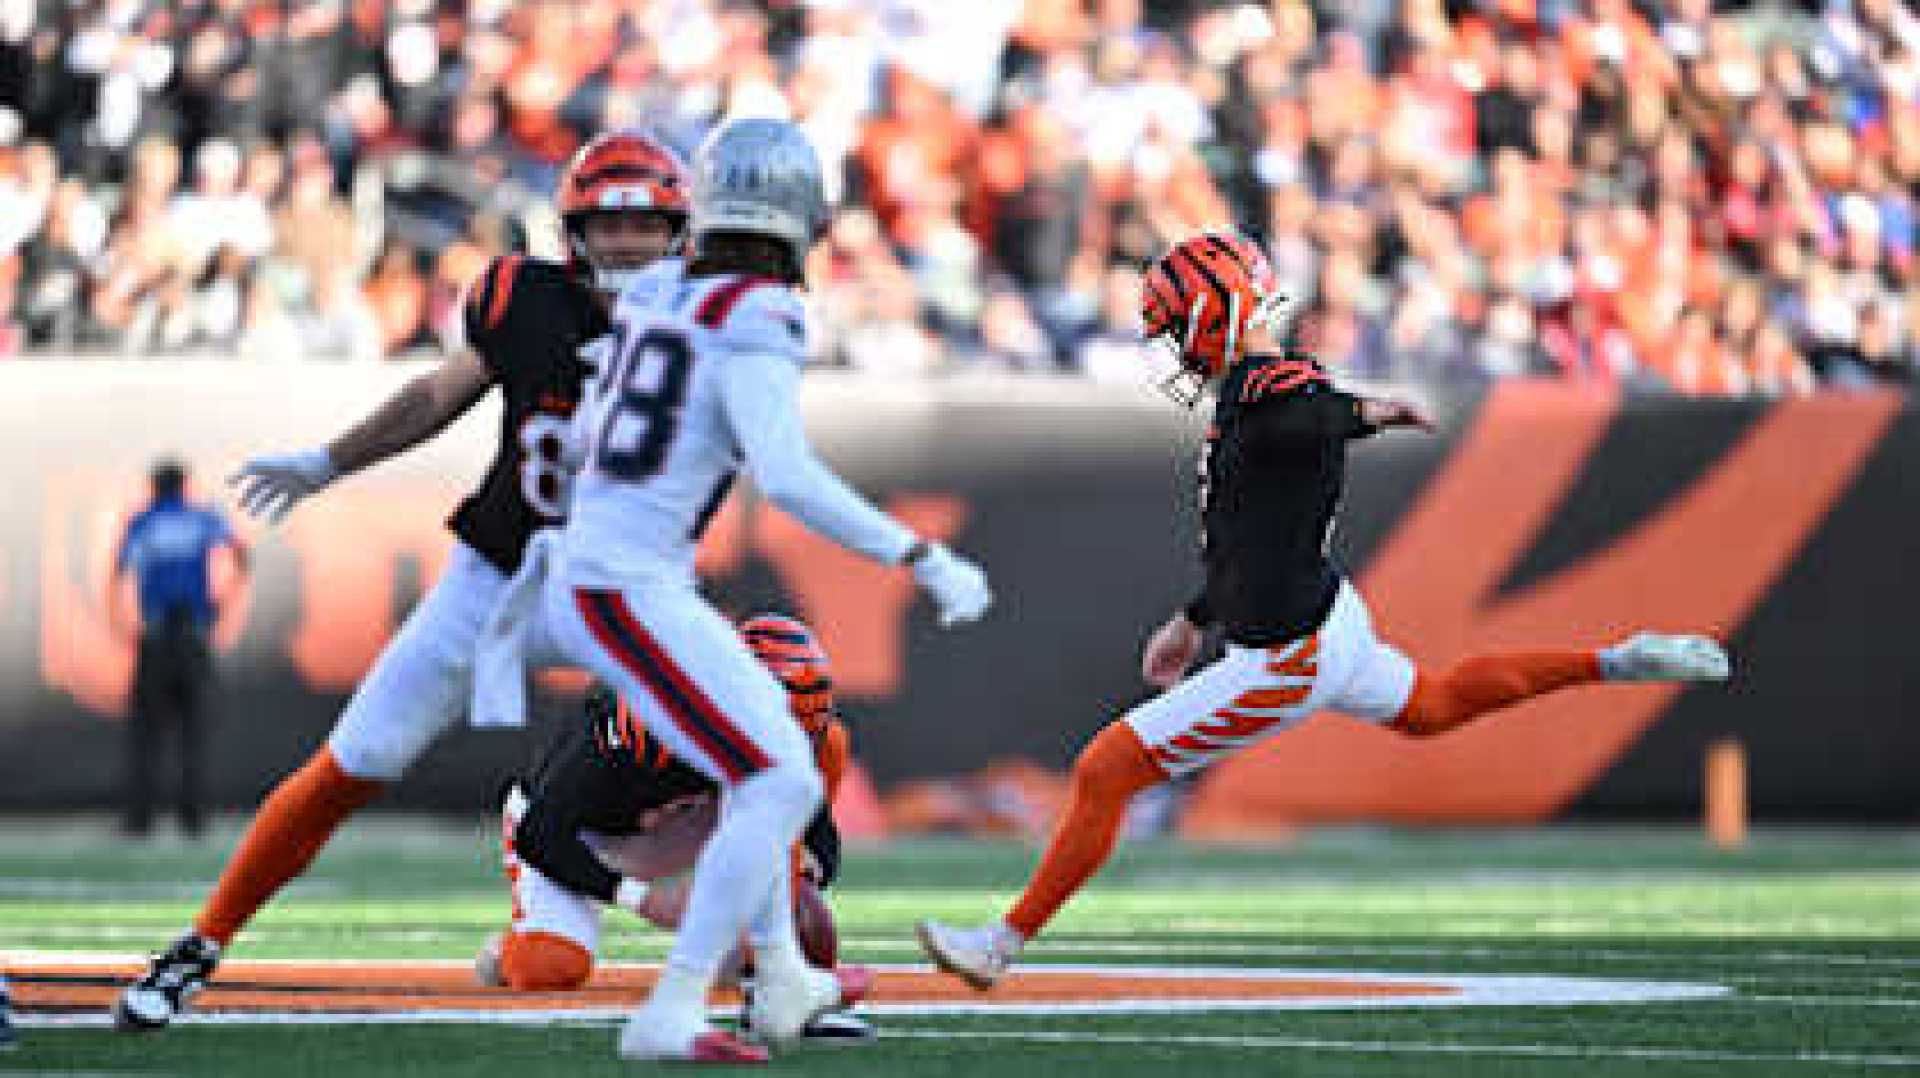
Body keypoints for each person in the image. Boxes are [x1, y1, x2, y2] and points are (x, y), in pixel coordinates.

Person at [914, 231, 1732, 989]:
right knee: (1434, 704)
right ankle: (1616, 660)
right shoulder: (1251, 389)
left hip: (1288, 655)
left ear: (1213, 317)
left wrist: (1368, 413)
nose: (1169, 345)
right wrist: (1194, 619)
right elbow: (1252, 529)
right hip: (1327, 615)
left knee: (1103, 772)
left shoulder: (1270, 384)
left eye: (1174, 326)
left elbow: (1311, 410)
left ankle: (1000, 944)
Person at [113, 131, 693, 1032]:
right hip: (499, 578)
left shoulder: (711, 328)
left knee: (763, 732)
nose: (627, 245)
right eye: (608, 227)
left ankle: (786, 966)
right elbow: (434, 397)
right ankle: (202, 941)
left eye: (646, 227)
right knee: (354, 764)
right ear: (572, 231)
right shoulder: (524, 298)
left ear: (679, 232)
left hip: (627, 591)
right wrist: (326, 462)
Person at [478, 118, 991, 1063]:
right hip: (624, 587)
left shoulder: (659, 292)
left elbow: (594, 427)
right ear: (804, 216)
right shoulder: (760, 311)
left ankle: (783, 978)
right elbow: (788, 476)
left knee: (776, 770)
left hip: (609, 568)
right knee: (776, 774)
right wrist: (921, 558)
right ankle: (672, 1012)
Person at [476, 614, 871, 1040]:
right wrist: (645, 899)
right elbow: (540, 832)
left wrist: (802, 882)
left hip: (687, 824)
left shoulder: (818, 743)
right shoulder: (648, 720)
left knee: (783, 832)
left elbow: (817, 836)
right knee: (550, 966)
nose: (778, 742)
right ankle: (505, 953)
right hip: (585, 832)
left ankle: (776, 977)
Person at [109, 457, 251, 839]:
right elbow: (241, 554)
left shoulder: (144, 520)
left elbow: (119, 571)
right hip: (193, 635)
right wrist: (224, 600)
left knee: (147, 734)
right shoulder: (202, 517)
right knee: (194, 732)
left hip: (156, 637)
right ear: (184, 484)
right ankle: (194, 819)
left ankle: (141, 820)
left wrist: (123, 624)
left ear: (154, 485)